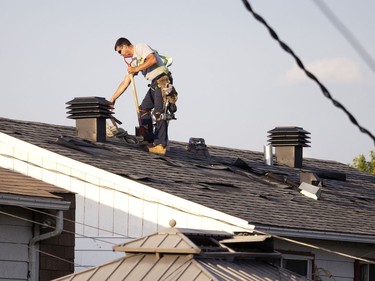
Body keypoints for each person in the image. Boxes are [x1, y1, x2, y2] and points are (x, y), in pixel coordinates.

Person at [110, 38, 177, 155]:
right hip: (154, 83)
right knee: (143, 110)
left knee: (159, 113)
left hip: (162, 80)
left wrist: (135, 69)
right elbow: (125, 82)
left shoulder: (140, 47)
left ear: (125, 46)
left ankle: (161, 144)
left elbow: (152, 59)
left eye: (120, 51)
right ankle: (148, 139)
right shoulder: (134, 61)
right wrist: (113, 98)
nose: (120, 55)